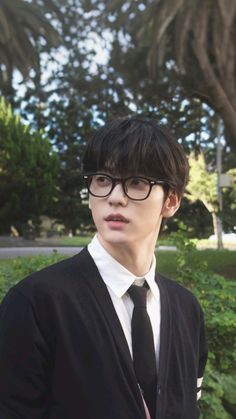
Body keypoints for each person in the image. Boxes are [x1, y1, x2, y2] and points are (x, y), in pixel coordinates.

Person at [0, 116, 208, 419]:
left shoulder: (187, 309)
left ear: (171, 201)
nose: (115, 197)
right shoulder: (36, 303)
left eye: (136, 183)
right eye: (102, 180)